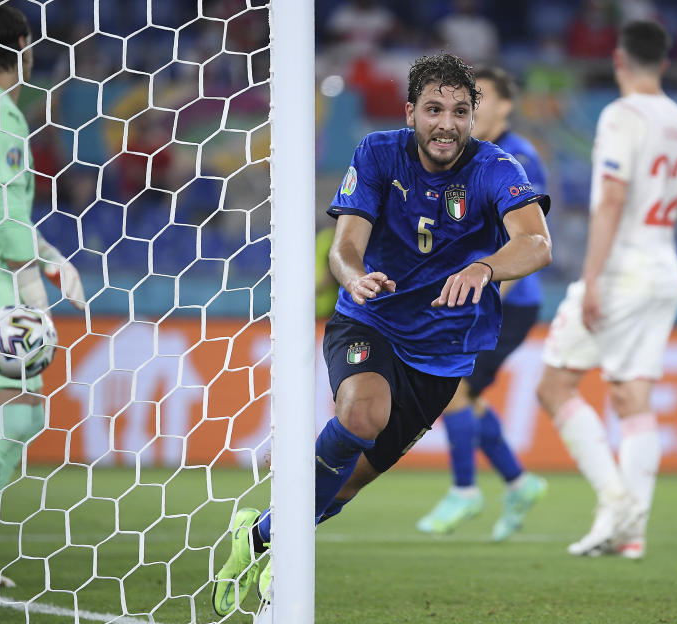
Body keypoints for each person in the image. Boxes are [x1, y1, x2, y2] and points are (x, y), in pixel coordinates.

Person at [212, 52, 551, 615]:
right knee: (362, 414)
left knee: (346, 484)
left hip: (442, 352)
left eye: (461, 111)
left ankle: (259, 536)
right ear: (410, 111)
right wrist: (354, 276)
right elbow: (345, 247)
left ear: (474, 116)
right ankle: (289, 557)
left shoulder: (496, 167)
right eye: (434, 108)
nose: (447, 123)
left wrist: (484, 267)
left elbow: (537, 243)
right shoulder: (378, 152)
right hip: (370, 317)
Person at [535, 20, 677, 559]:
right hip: (664, 269)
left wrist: (594, 275)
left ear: (619, 61)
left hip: (624, 269)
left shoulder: (622, 115)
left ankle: (616, 504)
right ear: (665, 64)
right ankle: (632, 533)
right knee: (632, 397)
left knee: (554, 386)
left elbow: (611, 198)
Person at [415, 66, 548, 541]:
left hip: (506, 300)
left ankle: (465, 490)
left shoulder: (518, 158)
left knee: (453, 392)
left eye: (481, 98)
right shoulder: (463, 155)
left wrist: (484, 304)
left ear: (505, 106)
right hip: (468, 293)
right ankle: (519, 481)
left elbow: (527, 242)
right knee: (461, 396)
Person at [0, 6, 85, 589]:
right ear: (22, 46)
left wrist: (51, 257)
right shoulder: (2, 113)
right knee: (19, 408)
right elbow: (3, 216)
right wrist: (32, 281)